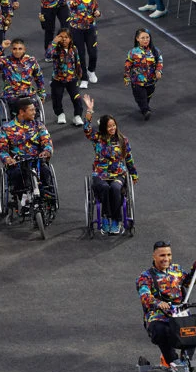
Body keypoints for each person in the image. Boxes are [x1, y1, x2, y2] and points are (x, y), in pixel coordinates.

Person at [136, 241, 196, 368]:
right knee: (160, 331)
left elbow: (189, 283)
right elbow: (145, 296)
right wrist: (158, 303)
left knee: (192, 330)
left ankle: (186, 360)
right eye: (162, 255)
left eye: (169, 255)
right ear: (154, 256)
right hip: (159, 316)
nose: (166, 258)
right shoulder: (145, 276)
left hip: (179, 314)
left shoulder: (176, 270)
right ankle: (173, 361)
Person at [82, 94, 138, 234]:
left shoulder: (123, 140)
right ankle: (106, 217)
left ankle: (116, 220)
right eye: (109, 126)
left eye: (114, 125)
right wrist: (89, 110)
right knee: (104, 188)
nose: (112, 128)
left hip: (118, 174)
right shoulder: (98, 138)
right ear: (103, 128)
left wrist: (133, 175)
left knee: (115, 188)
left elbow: (129, 159)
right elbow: (87, 129)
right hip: (100, 174)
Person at [0, 97, 54, 208]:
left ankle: (45, 194)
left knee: (45, 171)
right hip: (17, 162)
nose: (35, 112)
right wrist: (8, 159)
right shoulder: (6, 128)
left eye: (34, 109)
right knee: (16, 175)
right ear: (22, 112)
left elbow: (47, 141)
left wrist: (47, 151)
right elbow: (2, 149)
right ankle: (23, 197)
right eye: (31, 110)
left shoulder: (39, 125)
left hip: (36, 159)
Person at [0, 37, 44, 115]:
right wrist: (1, 47)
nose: (17, 51)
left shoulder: (31, 61)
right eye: (14, 49)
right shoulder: (5, 61)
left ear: (24, 49)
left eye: (20, 49)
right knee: (20, 109)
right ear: (11, 49)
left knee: (34, 108)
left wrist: (42, 93)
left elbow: (39, 77)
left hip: (28, 93)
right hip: (11, 94)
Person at [66, 0, 100, 89]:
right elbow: (71, 6)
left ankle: (91, 70)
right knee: (80, 54)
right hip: (76, 29)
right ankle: (84, 78)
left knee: (93, 53)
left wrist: (97, 13)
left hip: (90, 28)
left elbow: (95, 8)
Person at [46, 28, 83, 126]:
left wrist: (79, 74)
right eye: (61, 37)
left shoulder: (74, 49)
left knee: (77, 98)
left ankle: (77, 116)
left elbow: (77, 61)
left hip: (72, 79)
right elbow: (48, 55)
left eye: (66, 37)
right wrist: (54, 42)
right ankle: (60, 114)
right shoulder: (55, 49)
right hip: (58, 79)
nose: (64, 39)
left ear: (70, 38)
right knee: (57, 98)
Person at [124, 28, 162, 120]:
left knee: (148, 96)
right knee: (141, 97)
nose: (146, 40)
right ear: (137, 39)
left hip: (151, 81)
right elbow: (128, 65)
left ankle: (144, 106)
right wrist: (126, 77)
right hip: (137, 81)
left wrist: (158, 71)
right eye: (143, 38)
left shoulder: (155, 51)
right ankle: (145, 111)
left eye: (147, 37)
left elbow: (159, 62)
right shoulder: (133, 52)